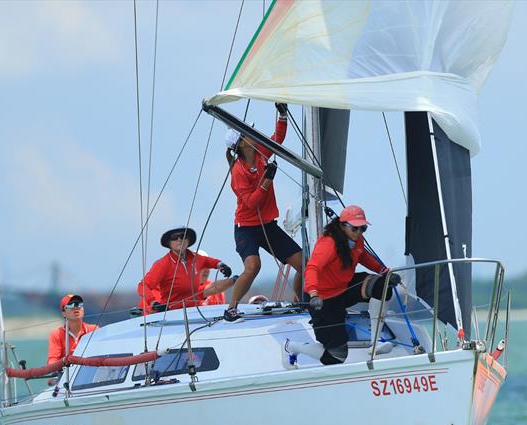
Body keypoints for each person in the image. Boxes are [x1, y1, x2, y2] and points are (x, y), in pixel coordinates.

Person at [284, 206, 401, 366]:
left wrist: (385, 272)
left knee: (381, 285)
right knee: (336, 357)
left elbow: (364, 257)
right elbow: (312, 268)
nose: (359, 232)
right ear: (342, 226)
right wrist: (313, 293)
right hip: (322, 300)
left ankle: (376, 343)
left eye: (363, 228)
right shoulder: (329, 243)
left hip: (344, 288)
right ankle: (292, 346)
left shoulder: (356, 240)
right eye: (355, 228)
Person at [223, 102, 303, 322]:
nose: (254, 134)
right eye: (248, 133)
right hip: (246, 229)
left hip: (267, 225)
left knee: (304, 264)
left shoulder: (261, 153)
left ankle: (300, 301)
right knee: (253, 266)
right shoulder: (238, 171)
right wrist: (267, 180)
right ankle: (231, 308)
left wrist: (283, 114)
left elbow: (277, 137)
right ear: (241, 144)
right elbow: (251, 203)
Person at [138, 227, 236, 313]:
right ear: (169, 243)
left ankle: (237, 280)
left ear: (188, 241)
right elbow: (143, 286)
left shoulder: (196, 258)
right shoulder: (163, 264)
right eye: (174, 238)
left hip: (195, 312)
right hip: (172, 314)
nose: (179, 239)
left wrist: (221, 265)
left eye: (183, 236)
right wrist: (153, 303)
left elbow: (209, 261)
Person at [47, 294, 99, 365]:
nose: (76, 308)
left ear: (83, 310)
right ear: (63, 313)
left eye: (79, 305)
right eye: (71, 305)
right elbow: (52, 361)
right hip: (67, 374)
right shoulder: (56, 334)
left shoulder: (94, 330)